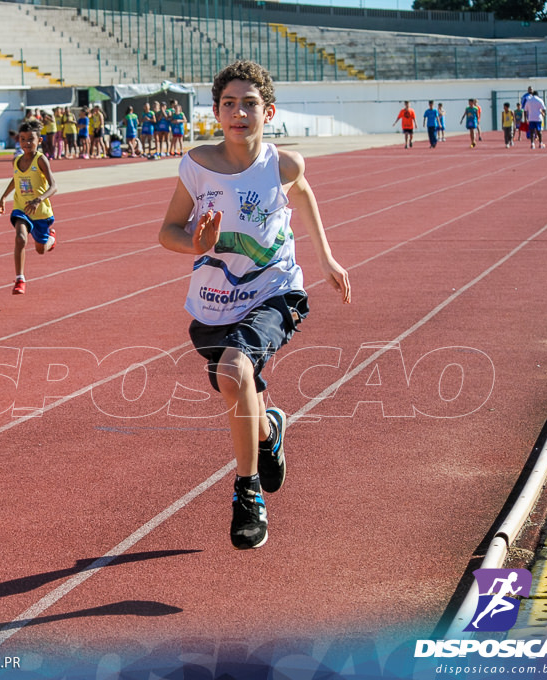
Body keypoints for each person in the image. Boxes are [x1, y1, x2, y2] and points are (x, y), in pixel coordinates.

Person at [158, 60, 350, 550]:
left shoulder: (283, 165)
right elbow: (168, 231)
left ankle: (248, 495)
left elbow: (302, 193)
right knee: (235, 386)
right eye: (228, 104)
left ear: (269, 111)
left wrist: (326, 258)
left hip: (274, 291)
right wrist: (196, 245)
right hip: (215, 301)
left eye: (249, 103)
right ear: (216, 112)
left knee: (233, 371)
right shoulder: (197, 166)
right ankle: (269, 432)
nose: (238, 112)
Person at [0, 119, 58, 296]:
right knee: (20, 238)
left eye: (31, 139)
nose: (26, 143)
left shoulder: (41, 160)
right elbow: (15, 180)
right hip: (21, 208)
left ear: (39, 140)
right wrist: (3, 197)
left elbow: (54, 186)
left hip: (40, 212)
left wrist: (39, 199)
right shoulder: (16, 161)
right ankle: (20, 279)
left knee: (41, 249)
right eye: (23, 139)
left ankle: (51, 238)